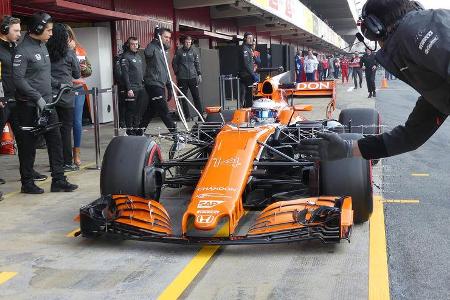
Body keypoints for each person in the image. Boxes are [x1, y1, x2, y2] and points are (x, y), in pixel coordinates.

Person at [298, 0, 449, 163]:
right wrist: (348, 148)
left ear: (375, 29)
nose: (380, 46)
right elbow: (412, 135)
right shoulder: (436, 86)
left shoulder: (415, 30)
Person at [13, 12, 78, 194]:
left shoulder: (42, 46)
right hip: (29, 106)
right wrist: (37, 97)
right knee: (28, 146)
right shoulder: (22, 51)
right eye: (48, 30)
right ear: (38, 29)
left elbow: (43, 76)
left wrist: (59, 84)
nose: (51, 34)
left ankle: (58, 179)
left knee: (55, 141)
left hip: (48, 105)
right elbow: (19, 80)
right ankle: (27, 182)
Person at [0, 15, 48, 189]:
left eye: (20, 30)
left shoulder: (17, 48)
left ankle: (28, 175)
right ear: (5, 30)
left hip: (19, 101)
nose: (19, 34)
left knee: (26, 140)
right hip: (3, 102)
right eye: (16, 30)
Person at [47, 23, 81, 171]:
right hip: (66, 95)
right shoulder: (69, 53)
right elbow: (77, 74)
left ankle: (55, 163)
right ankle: (67, 162)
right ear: (65, 38)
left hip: (49, 95)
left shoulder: (46, 51)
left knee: (52, 131)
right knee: (66, 130)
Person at [139, 27, 177, 134]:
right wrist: (154, 40)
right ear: (159, 36)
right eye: (165, 37)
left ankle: (138, 132)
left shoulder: (165, 51)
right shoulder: (153, 47)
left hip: (161, 84)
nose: (168, 39)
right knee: (163, 110)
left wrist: (169, 86)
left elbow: (166, 69)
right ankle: (175, 134)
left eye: (169, 37)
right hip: (152, 83)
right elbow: (147, 53)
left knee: (151, 110)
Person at [66, 25, 90, 167]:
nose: (68, 40)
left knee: (77, 122)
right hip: (63, 89)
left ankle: (77, 152)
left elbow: (89, 69)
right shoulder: (56, 51)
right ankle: (65, 153)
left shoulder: (80, 50)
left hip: (79, 89)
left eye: (69, 37)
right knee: (65, 123)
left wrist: (85, 68)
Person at [172, 35, 203, 121]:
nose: (188, 44)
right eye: (186, 42)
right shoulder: (179, 52)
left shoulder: (194, 51)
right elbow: (174, 63)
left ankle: (200, 116)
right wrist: (177, 73)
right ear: (183, 42)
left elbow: (197, 63)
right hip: (182, 79)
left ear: (191, 43)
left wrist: (199, 74)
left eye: (189, 42)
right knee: (183, 98)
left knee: (196, 97)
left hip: (193, 78)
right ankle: (187, 116)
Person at [120, 36, 145, 135]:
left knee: (138, 110)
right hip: (131, 89)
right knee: (130, 110)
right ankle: (129, 130)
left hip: (140, 87)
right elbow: (125, 74)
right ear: (128, 45)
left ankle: (136, 128)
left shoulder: (138, 57)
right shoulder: (125, 57)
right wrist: (129, 89)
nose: (135, 46)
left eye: (136, 44)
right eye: (132, 44)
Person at [238, 32, 258, 108]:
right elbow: (246, 64)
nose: (250, 40)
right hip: (246, 75)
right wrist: (252, 74)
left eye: (251, 38)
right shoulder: (245, 48)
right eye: (249, 38)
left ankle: (247, 109)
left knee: (247, 94)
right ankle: (248, 110)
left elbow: (256, 61)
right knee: (248, 95)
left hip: (248, 74)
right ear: (245, 38)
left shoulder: (249, 48)